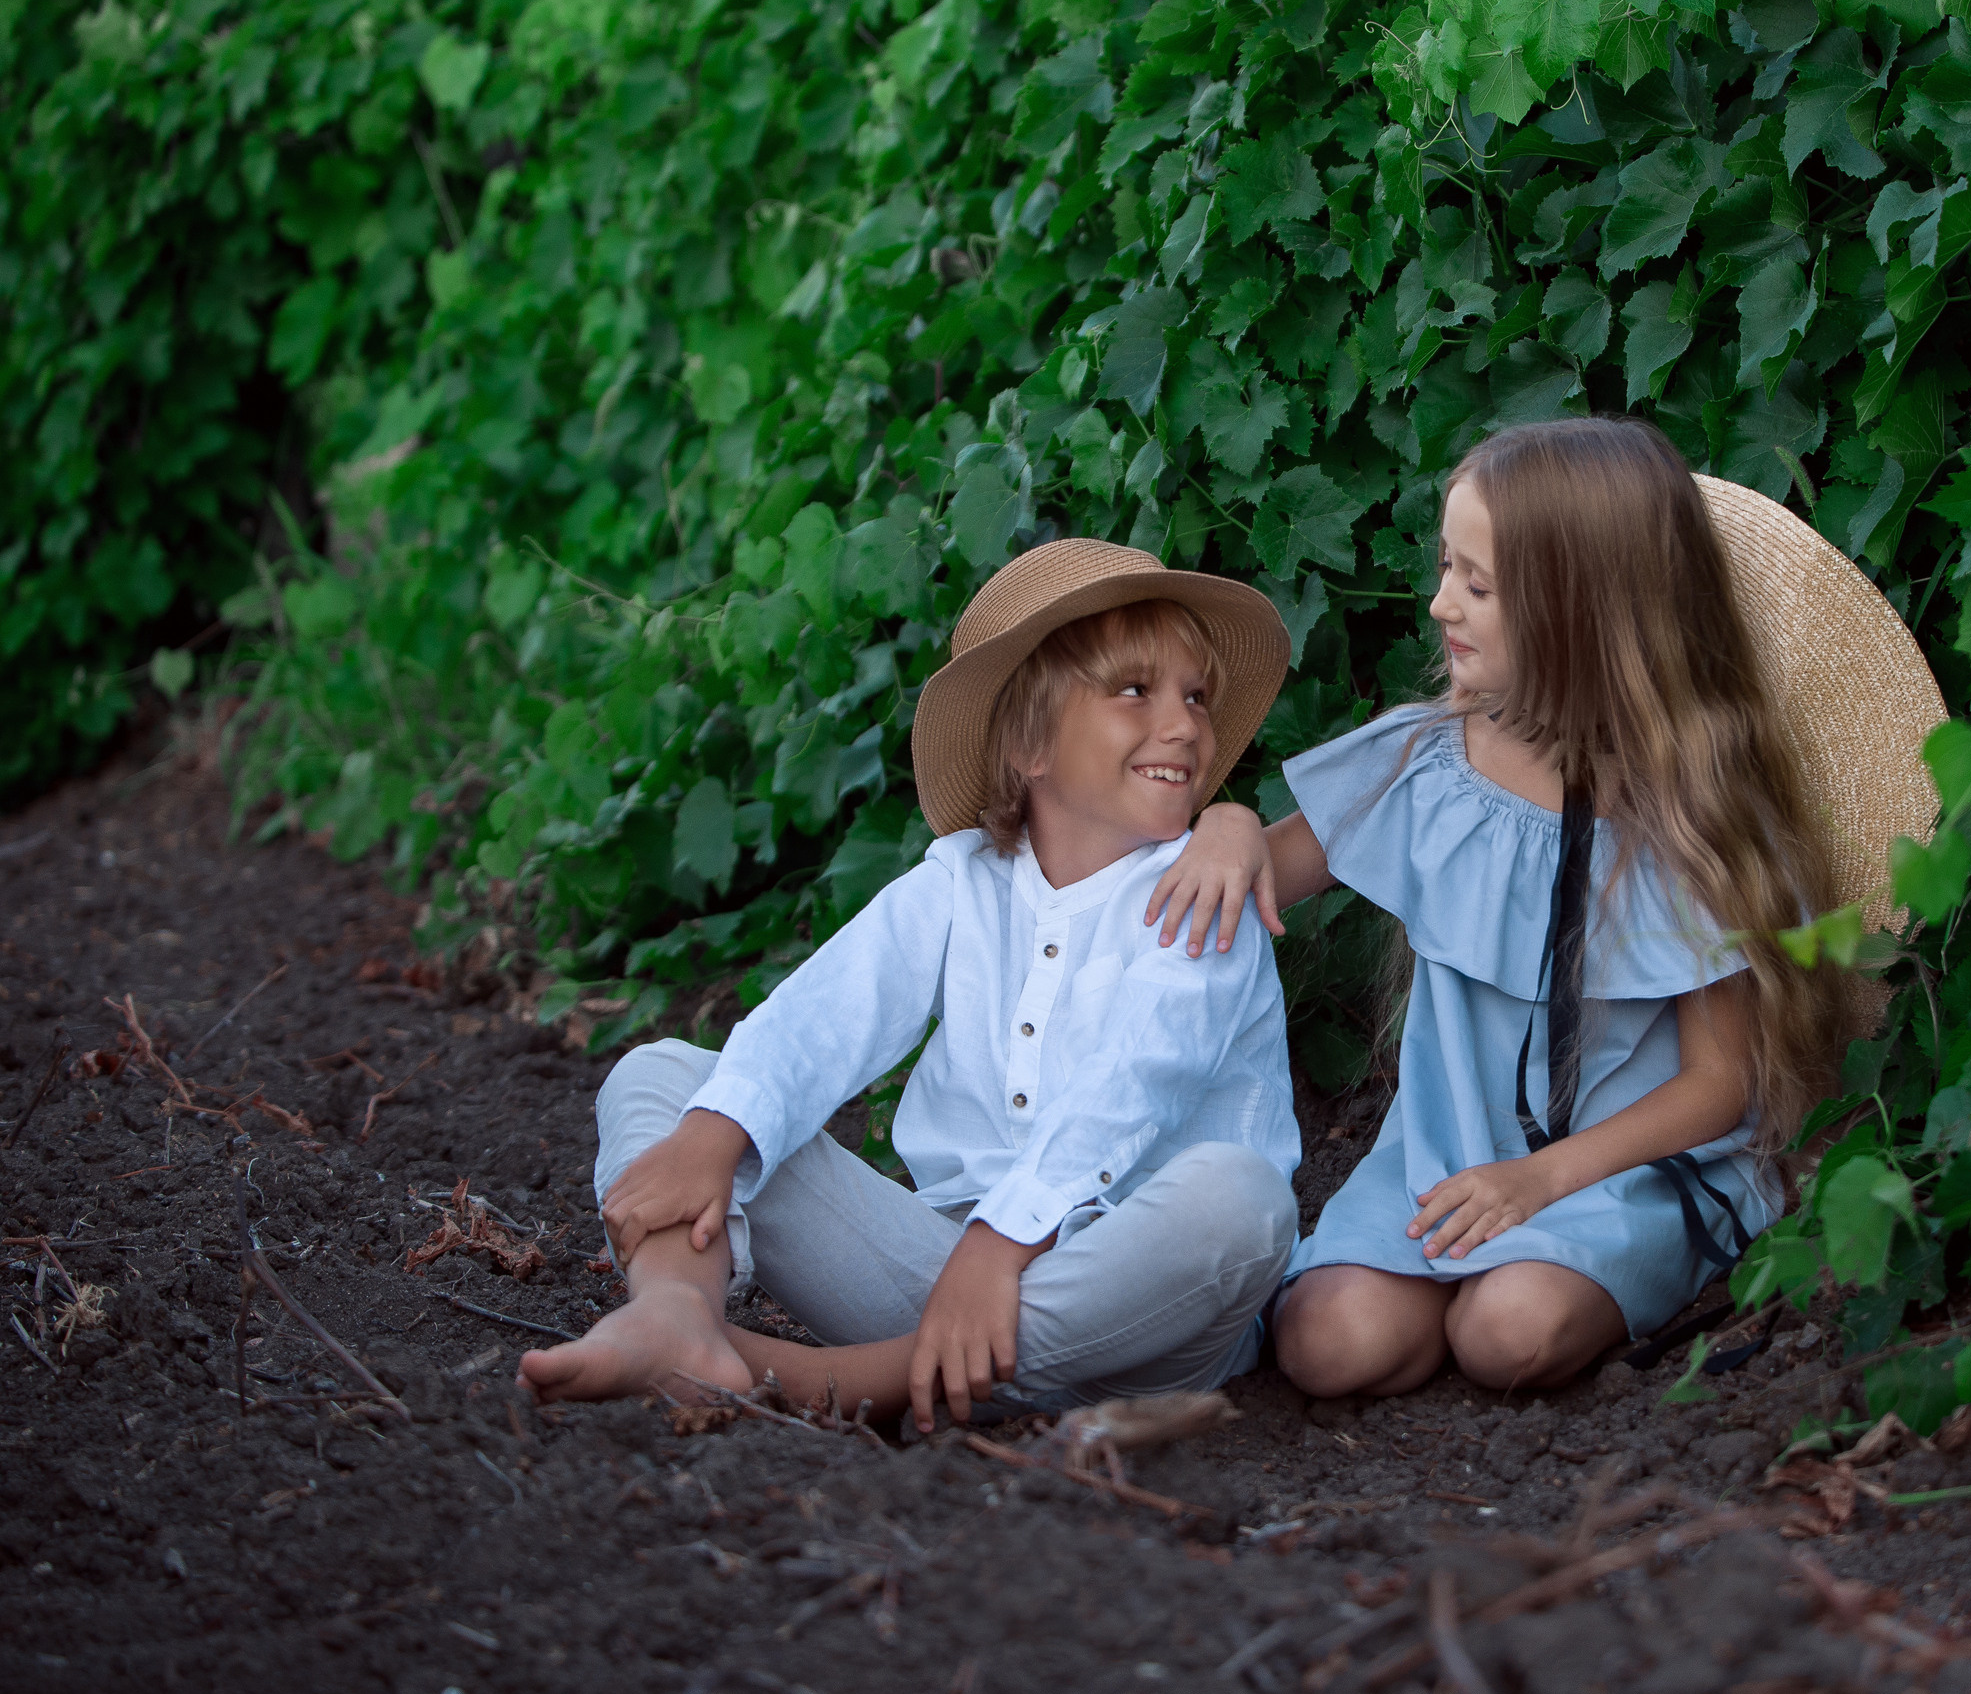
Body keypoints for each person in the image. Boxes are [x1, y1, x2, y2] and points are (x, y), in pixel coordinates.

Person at [1152, 416, 1889, 1399]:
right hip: (1446, 1155)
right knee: (1327, 1344)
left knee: (1509, 1331)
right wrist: (1229, 826)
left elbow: (1718, 1082)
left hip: (1617, 1171)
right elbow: (1250, 881)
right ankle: (1443, 1281)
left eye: (1478, 585)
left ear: (1585, 613)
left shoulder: (1688, 815)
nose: (1438, 603)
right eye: (1446, 568)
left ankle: (1609, 1266)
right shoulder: (1424, 766)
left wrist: (1542, 1181)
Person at [518, 539, 1301, 1430]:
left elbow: (1136, 1081)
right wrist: (718, 1133)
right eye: (1136, 691)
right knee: (664, 1078)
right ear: (1028, 741)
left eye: (1197, 696)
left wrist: (1003, 1246)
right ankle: (676, 1316)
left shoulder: (1205, 891)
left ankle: (832, 1383)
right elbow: (826, 1013)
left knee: (1240, 1202)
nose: (1187, 723)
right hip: (942, 1279)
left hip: (1142, 1311)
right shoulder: (960, 881)